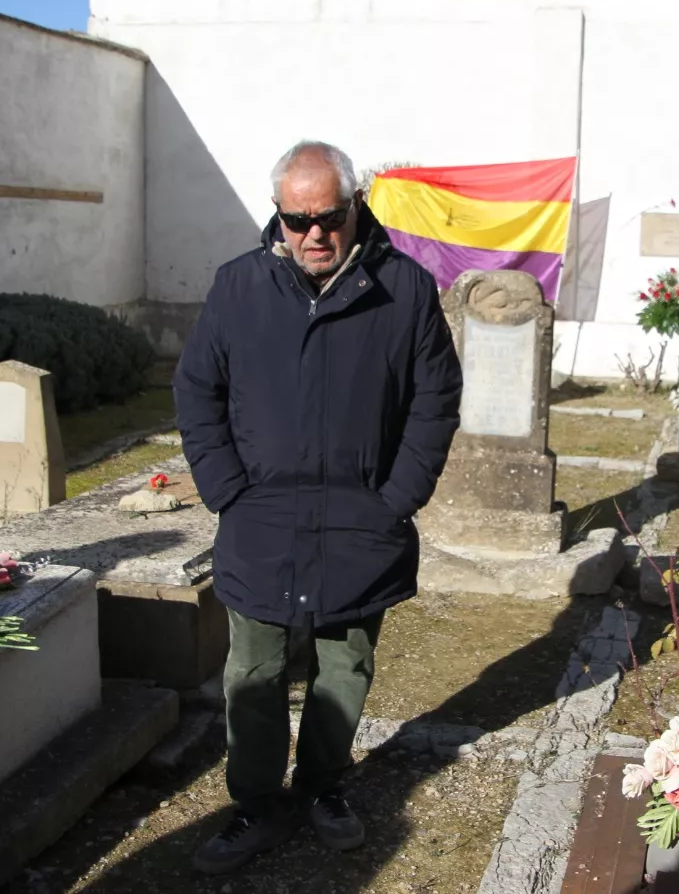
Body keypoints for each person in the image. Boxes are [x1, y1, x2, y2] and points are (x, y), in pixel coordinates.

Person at [174, 140, 462, 876]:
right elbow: (196, 390)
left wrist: (399, 496)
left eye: (328, 217)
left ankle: (325, 787)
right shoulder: (237, 287)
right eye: (295, 220)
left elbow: (434, 399)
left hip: (362, 519)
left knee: (346, 665)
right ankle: (257, 804)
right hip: (260, 518)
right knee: (254, 672)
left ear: (354, 205)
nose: (314, 235)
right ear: (277, 215)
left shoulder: (405, 289)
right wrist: (226, 489)